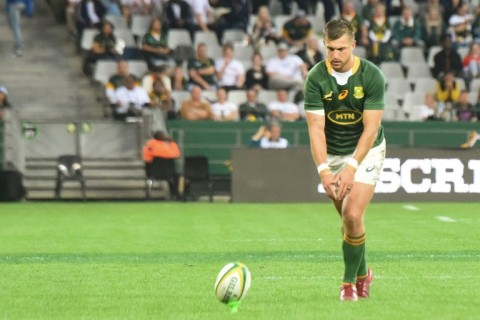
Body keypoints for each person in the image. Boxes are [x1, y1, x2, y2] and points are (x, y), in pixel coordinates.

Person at [304, 19, 386, 301]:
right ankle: (365, 273)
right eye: (330, 49)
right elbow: (315, 128)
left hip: (367, 149)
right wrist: (324, 171)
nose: (335, 56)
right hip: (333, 153)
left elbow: (371, 128)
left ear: (353, 44)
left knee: (352, 215)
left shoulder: (371, 75)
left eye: (340, 49)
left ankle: (348, 284)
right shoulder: (316, 78)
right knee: (348, 221)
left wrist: (352, 167)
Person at [142, 130, 181, 198]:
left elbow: (147, 158)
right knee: (176, 177)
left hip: (153, 172)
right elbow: (176, 154)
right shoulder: (170, 144)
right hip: (168, 173)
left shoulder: (150, 144)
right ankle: (175, 194)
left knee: (177, 177)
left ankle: (148, 194)